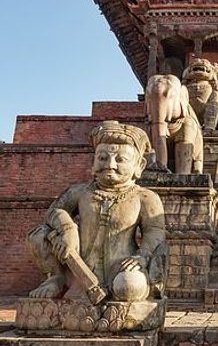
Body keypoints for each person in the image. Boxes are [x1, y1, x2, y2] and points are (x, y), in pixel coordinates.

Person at [28, 121, 167, 302]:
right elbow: (55, 210)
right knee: (39, 234)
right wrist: (68, 228)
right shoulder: (80, 192)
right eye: (102, 158)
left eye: (120, 159)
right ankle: (57, 278)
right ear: (93, 161)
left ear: (139, 165)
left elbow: (155, 231)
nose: (110, 164)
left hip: (122, 267)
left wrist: (143, 256)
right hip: (76, 266)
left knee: (129, 287)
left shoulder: (145, 197)